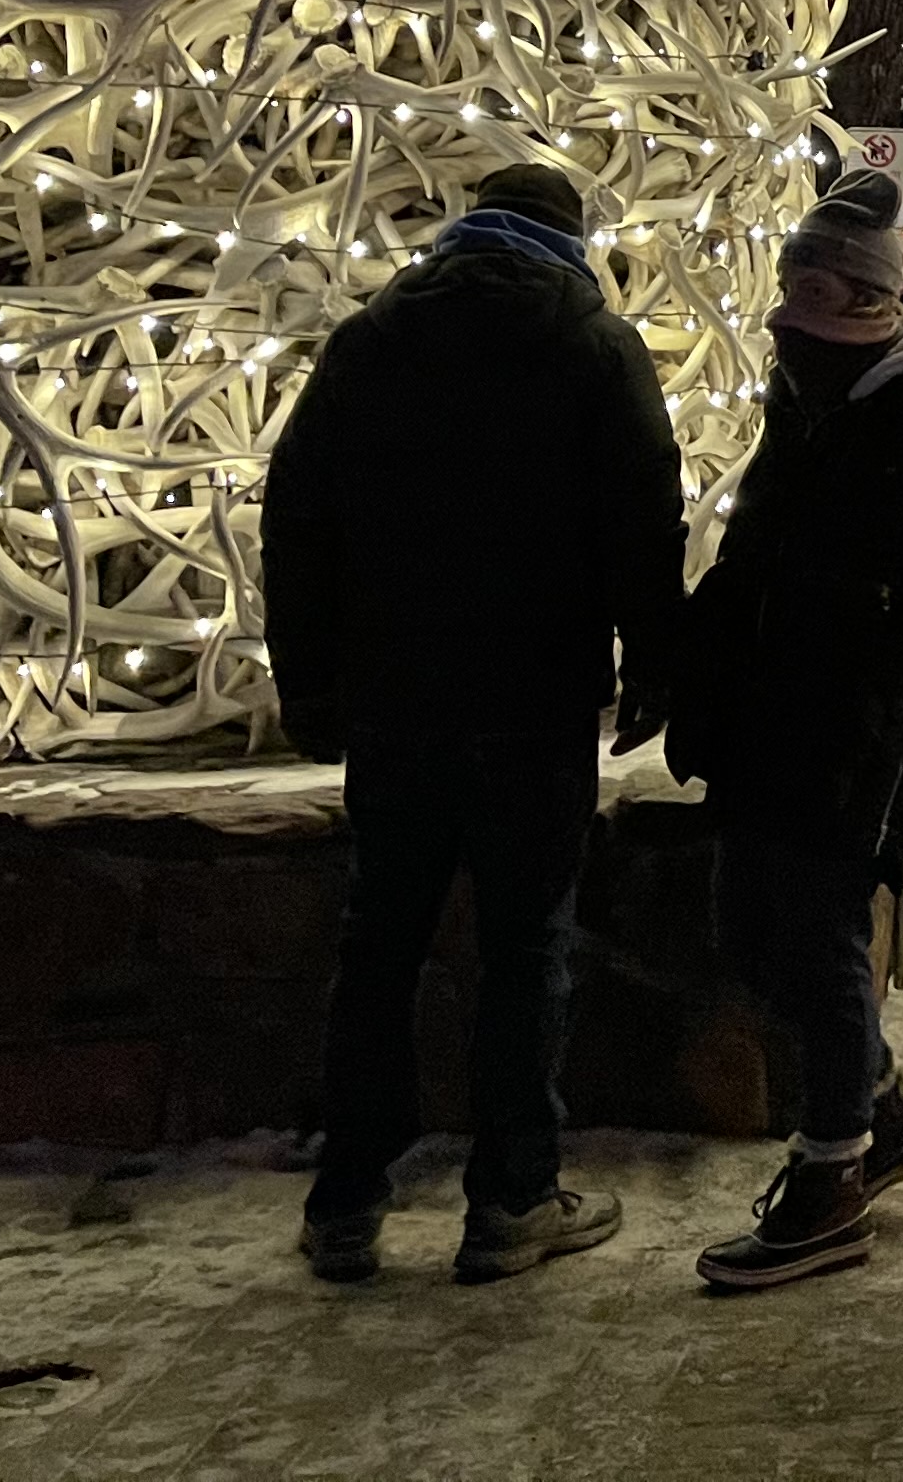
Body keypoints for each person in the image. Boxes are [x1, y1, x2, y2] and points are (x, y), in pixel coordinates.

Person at [261, 163, 683, 1287]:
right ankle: (510, 1200)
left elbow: (294, 516)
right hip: (534, 701)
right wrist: (655, 665)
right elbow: (647, 513)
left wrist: (307, 683)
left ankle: (347, 1200)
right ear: (569, 239)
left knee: (379, 944)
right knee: (524, 950)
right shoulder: (594, 346)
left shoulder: (371, 342)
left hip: (395, 699)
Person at [669, 169, 903, 1292]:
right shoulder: (807, 388)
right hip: (769, 702)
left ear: (872, 306)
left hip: (858, 725)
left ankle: (831, 1178)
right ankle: (883, 1112)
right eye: (793, 318)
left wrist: (885, 642)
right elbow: (762, 539)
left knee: (818, 929)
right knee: (746, 926)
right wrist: (707, 643)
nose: (801, 340)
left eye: (825, 317)